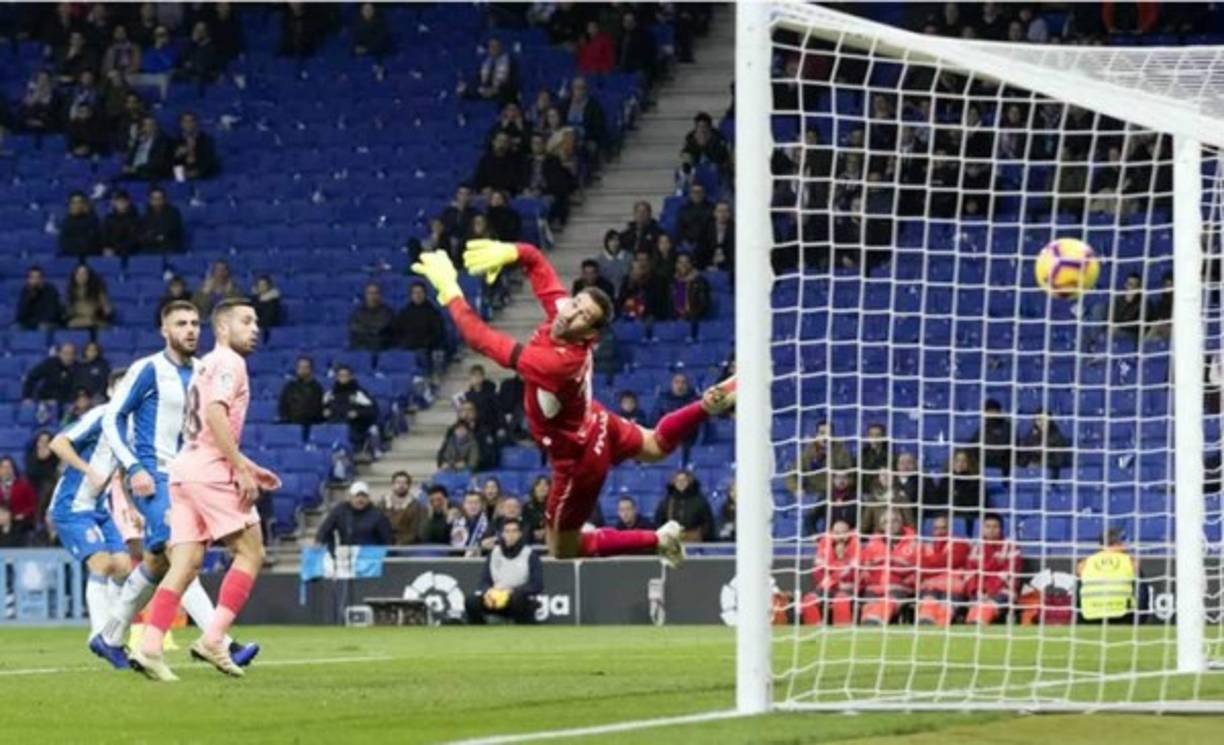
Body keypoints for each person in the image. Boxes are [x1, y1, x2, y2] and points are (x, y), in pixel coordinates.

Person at [412, 240, 737, 565]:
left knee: (562, 549)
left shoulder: (555, 365)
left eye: (584, 315)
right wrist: (512, 252)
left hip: (579, 461)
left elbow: (478, 337)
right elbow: (537, 262)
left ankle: (658, 538)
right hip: (596, 421)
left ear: (589, 336)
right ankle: (707, 405)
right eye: (575, 303)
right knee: (654, 446)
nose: (571, 313)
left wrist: (450, 290)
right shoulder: (563, 314)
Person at [92, 301, 258, 672]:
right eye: (180, 324)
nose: (190, 330)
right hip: (153, 476)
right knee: (185, 554)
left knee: (158, 561)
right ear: (164, 331)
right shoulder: (148, 369)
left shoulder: (205, 369)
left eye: (195, 323)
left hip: (192, 476)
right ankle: (221, 642)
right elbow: (112, 419)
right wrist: (133, 466)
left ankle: (110, 636)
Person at [131, 298, 277, 681]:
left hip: (183, 469)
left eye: (257, 322)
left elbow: (200, 424)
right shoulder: (231, 362)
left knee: (185, 564)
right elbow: (214, 413)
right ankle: (214, 639)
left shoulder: (205, 365)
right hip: (210, 471)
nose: (255, 328)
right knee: (251, 552)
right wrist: (239, 468)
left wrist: (247, 464)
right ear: (224, 328)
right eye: (246, 321)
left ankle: (148, 647)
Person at [48, 373, 132, 646]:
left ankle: (111, 632)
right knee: (102, 564)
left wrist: (131, 507)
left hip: (99, 508)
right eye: (119, 388)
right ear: (110, 391)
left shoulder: (128, 427)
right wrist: (87, 469)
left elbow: (121, 472)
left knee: (123, 567)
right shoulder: (101, 415)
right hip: (72, 506)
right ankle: (100, 635)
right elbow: (57, 443)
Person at [465, 518, 542, 625]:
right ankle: (481, 631)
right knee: (471, 601)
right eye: (507, 531)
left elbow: (536, 585)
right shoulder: (494, 553)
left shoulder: (530, 555)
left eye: (514, 531)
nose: (510, 534)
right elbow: (483, 580)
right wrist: (488, 591)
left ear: (520, 534)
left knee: (518, 599)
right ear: (502, 534)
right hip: (496, 597)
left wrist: (512, 591)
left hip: (517, 598)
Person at [859, 507, 919, 625]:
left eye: (894, 521)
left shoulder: (914, 542)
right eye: (886, 522)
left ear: (901, 521)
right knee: (869, 605)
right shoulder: (872, 543)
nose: (890, 525)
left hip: (900, 588)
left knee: (887, 602)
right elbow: (865, 568)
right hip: (874, 587)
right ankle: (869, 622)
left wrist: (905, 579)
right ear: (881, 525)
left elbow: (917, 571)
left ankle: (875, 620)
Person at [961, 513, 1023, 625]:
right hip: (979, 593)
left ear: (1001, 529)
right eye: (988, 526)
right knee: (976, 604)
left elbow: (1008, 573)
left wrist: (988, 592)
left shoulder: (1010, 547)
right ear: (982, 529)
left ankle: (978, 622)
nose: (991, 530)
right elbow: (970, 574)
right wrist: (977, 591)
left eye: (995, 527)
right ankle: (973, 622)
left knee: (988, 605)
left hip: (1003, 591)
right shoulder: (976, 547)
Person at [914, 514, 972, 626]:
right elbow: (922, 566)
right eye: (936, 528)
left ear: (949, 529)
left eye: (943, 528)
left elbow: (954, 561)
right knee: (927, 610)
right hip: (930, 589)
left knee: (944, 613)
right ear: (932, 531)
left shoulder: (960, 543)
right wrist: (944, 566)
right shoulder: (925, 546)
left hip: (952, 589)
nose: (940, 532)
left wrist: (932, 565)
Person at [800, 519, 860, 625]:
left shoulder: (856, 546)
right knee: (808, 600)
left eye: (844, 532)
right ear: (832, 533)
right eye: (837, 533)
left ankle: (843, 631)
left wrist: (836, 571)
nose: (840, 536)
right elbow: (818, 573)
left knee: (841, 600)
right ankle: (815, 629)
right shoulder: (824, 547)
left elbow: (855, 574)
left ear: (849, 532)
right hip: (827, 588)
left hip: (845, 589)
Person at [316, 481, 393, 552]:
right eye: (357, 496)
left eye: (364, 496)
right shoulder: (340, 511)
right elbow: (324, 530)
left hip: (370, 558)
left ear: (369, 498)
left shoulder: (378, 514)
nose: (360, 499)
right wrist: (330, 548)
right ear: (350, 497)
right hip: (347, 556)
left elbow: (386, 539)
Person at [322, 365, 380, 455]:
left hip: (353, 428)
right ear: (336, 377)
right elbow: (320, 409)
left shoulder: (358, 393)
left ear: (351, 377)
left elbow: (373, 411)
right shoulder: (330, 394)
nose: (343, 378)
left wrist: (358, 413)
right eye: (340, 376)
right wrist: (324, 412)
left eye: (345, 375)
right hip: (333, 427)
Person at [653, 471, 715, 543]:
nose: (681, 483)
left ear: (689, 481)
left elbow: (708, 523)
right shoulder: (666, 502)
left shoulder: (700, 501)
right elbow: (659, 522)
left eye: (684, 480)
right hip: (672, 541)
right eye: (678, 480)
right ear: (674, 482)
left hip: (694, 542)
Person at [1016, 409, 1071, 478]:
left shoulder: (1057, 437)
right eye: (1038, 419)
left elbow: (1058, 460)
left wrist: (1039, 464)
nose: (1041, 422)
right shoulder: (1031, 434)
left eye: (1044, 419)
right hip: (1032, 471)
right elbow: (1025, 454)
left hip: (1050, 472)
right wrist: (1022, 464)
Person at [394, 282, 445, 354]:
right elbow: (397, 331)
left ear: (425, 294)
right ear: (411, 295)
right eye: (415, 293)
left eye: (420, 292)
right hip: (408, 348)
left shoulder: (433, 313)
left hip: (427, 349)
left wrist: (426, 344)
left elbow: (438, 334)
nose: (418, 295)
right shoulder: (404, 312)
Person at [121, 115, 173, 181]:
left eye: (151, 125)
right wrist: (127, 166)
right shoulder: (138, 140)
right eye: (145, 125)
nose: (148, 127)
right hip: (131, 173)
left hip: (149, 173)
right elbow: (131, 157)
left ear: (156, 126)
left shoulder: (162, 142)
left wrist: (136, 169)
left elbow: (158, 162)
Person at [971, 399, 1014, 476]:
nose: (991, 413)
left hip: (1001, 460)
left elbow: (1003, 449)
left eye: (993, 410)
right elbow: (973, 443)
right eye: (988, 411)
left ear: (999, 411)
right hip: (985, 458)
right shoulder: (984, 427)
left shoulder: (1007, 427)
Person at [349, 282, 395, 351]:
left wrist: (366, 329)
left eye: (376, 293)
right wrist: (371, 331)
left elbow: (380, 329)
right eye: (370, 293)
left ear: (380, 295)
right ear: (365, 295)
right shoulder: (357, 313)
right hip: (361, 348)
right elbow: (355, 328)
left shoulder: (388, 312)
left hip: (382, 348)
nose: (373, 296)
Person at [278, 357, 324, 426]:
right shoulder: (289, 387)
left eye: (306, 367)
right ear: (297, 369)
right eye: (300, 367)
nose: (303, 370)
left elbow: (318, 409)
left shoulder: (317, 388)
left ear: (311, 369)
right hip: (291, 424)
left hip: (311, 424)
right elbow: (283, 406)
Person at [64, 264, 113, 329]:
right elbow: (68, 311)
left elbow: (106, 309)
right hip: (77, 321)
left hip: (95, 322)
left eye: (84, 274)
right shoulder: (70, 291)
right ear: (74, 276)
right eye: (78, 274)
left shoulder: (97, 290)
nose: (81, 276)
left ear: (89, 276)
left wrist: (106, 309)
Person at [172, 111, 218, 180]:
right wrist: (177, 155)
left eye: (191, 121)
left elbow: (208, 161)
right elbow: (172, 162)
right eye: (185, 121)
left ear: (196, 123)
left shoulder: (206, 140)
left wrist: (197, 172)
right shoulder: (174, 141)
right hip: (181, 176)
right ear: (180, 124)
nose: (188, 124)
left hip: (203, 176)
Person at [382, 472, 423, 545]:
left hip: (407, 546)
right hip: (384, 543)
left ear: (409, 486)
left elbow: (415, 531)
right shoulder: (383, 503)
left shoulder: (416, 505)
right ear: (392, 485)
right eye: (398, 482)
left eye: (404, 483)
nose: (401, 485)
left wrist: (400, 544)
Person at [17, 266, 64, 331]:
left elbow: (51, 314)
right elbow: (20, 315)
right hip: (31, 323)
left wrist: (35, 322)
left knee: (42, 327)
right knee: (16, 328)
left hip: (49, 322)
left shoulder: (50, 290)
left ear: (42, 279)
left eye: (38, 277)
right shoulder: (25, 291)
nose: (35, 280)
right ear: (28, 280)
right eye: (32, 278)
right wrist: (29, 298)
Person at [139, 187, 184, 253]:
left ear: (164, 199)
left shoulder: (173, 213)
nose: (157, 202)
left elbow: (170, 232)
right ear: (150, 200)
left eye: (159, 198)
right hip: (150, 248)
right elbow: (144, 234)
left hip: (170, 248)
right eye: (154, 199)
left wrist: (155, 236)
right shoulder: (146, 215)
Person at [0, 457, 38, 533]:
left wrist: (23, 515)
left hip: (20, 524)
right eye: (3, 467)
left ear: (14, 469)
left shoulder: (24, 486)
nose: (6, 470)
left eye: (9, 467)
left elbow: (34, 505)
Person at [59, 191, 102, 257]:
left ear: (84, 204)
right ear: (69, 205)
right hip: (71, 259)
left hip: (90, 259)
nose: (76, 205)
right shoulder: (66, 222)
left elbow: (93, 243)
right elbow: (64, 244)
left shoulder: (93, 221)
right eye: (73, 202)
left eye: (79, 202)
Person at [669, 253, 710, 322]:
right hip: (674, 321)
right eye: (680, 262)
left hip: (693, 320)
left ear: (691, 264)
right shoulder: (672, 282)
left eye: (686, 262)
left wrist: (689, 316)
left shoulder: (700, 282)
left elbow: (704, 305)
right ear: (676, 265)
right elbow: (668, 305)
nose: (683, 265)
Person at [101, 189, 141, 258]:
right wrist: (107, 248)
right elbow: (105, 237)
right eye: (118, 201)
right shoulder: (108, 219)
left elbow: (135, 239)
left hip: (132, 253)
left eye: (123, 201)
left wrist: (119, 249)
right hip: (112, 253)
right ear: (114, 203)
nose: (121, 204)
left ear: (128, 202)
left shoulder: (135, 219)